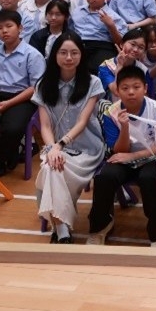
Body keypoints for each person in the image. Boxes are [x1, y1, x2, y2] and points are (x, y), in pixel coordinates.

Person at [33, 32, 106, 244]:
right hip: (56, 147)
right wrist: (52, 148)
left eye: (74, 53)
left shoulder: (93, 83)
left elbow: (82, 122)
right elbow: (45, 125)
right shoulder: (43, 85)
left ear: (81, 55)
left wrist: (60, 145)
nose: (68, 57)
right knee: (51, 167)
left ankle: (60, 228)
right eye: (63, 52)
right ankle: (62, 228)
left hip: (87, 148)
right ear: (54, 55)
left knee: (53, 170)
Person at [88, 65, 156, 247]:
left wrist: (134, 156)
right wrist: (124, 127)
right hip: (123, 157)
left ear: (145, 88)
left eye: (136, 87)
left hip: (151, 158)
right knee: (104, 177)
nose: (131, 92)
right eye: (125, 88)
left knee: (149, 179)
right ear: (117, 91)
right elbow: (119, 150)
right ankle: (99, 227)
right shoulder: (111, 113)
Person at [0, 9, 44, 177]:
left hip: (22, 98)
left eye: (9, 26)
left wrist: (9, 103)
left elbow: (35, 88)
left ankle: (0, 158)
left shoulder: (32, 54)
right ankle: (6, 152)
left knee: (12, 128)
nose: (4, 31)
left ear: (20, 28)